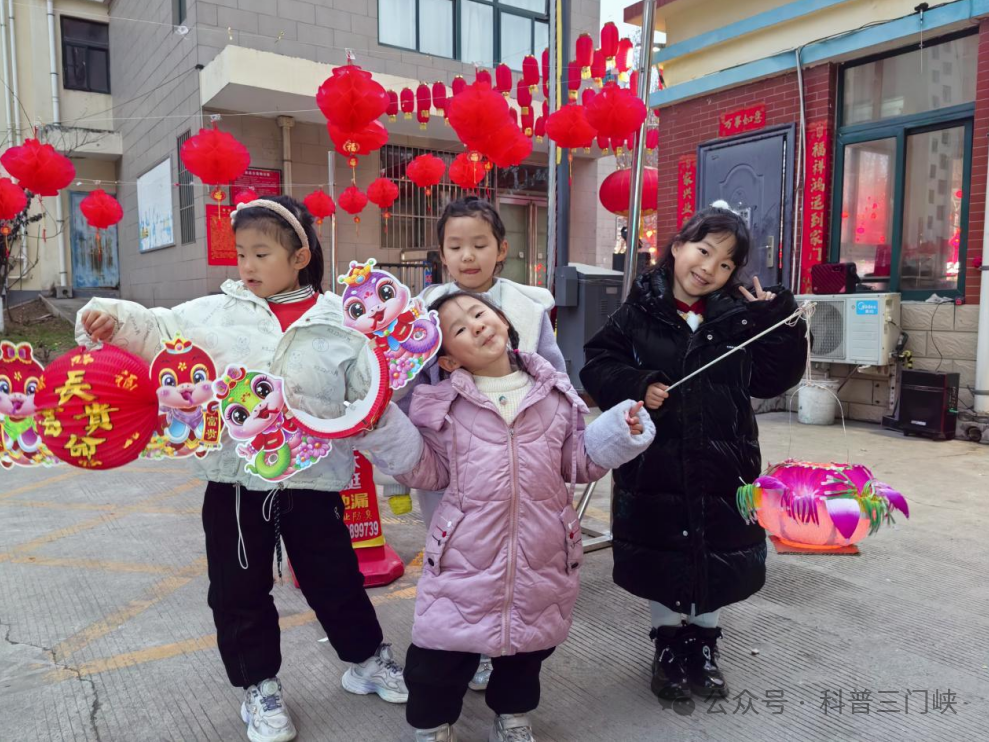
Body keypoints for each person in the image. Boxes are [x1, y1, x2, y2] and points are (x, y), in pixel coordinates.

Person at [76, 196, 418, 742]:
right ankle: (258, 685)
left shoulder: (339, 320)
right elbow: (159, 332)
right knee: (238, 588)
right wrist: (113, 319)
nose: (248, 266)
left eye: (261, 253)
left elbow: (371, 398)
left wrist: (410, 461)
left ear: (300, 255)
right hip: (234, 480)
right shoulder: (214, 312)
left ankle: (366, 660)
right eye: (241, 255)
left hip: (314, 480)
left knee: (336, 579)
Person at [366, 291, 655, 742]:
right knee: (438, 656)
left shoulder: (556, 396)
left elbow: (576, 462)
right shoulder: (442, 406)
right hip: (464, 556)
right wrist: (382, 426)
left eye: (480, 313)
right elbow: (428, 469)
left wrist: (619, 430)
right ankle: (432, 725)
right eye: (459, 329)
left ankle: (514, 717)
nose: (477, 325)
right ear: (447, 361)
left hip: (541, 555)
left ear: (502, 319)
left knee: (527, 652)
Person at [580, 201, 808, 703]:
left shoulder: (739, 319)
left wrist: (778, 319)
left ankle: (703, 646)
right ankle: (666, 646)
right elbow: (597, 364)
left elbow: (775, 378)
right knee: (665, 553)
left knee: (715, 553)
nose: (708, 268)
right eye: (703, 251)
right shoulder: (636, 311)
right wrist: (639, 383)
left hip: (724, 462)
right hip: (656, 464)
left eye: (725, 262)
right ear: (678, 246)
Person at [384, 196, 566, 692]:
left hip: (518, 454)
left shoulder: (529, 308)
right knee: (458, 555)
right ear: (441, 253)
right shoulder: (419, 315)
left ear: (501, 249)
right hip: (451, 456)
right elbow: (407, 385)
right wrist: (408, 449)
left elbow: (556, 372)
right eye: (456, 245)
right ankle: (466, 643)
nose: (468, 256)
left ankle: (501, 642)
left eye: (479, 244)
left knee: (514, 551)